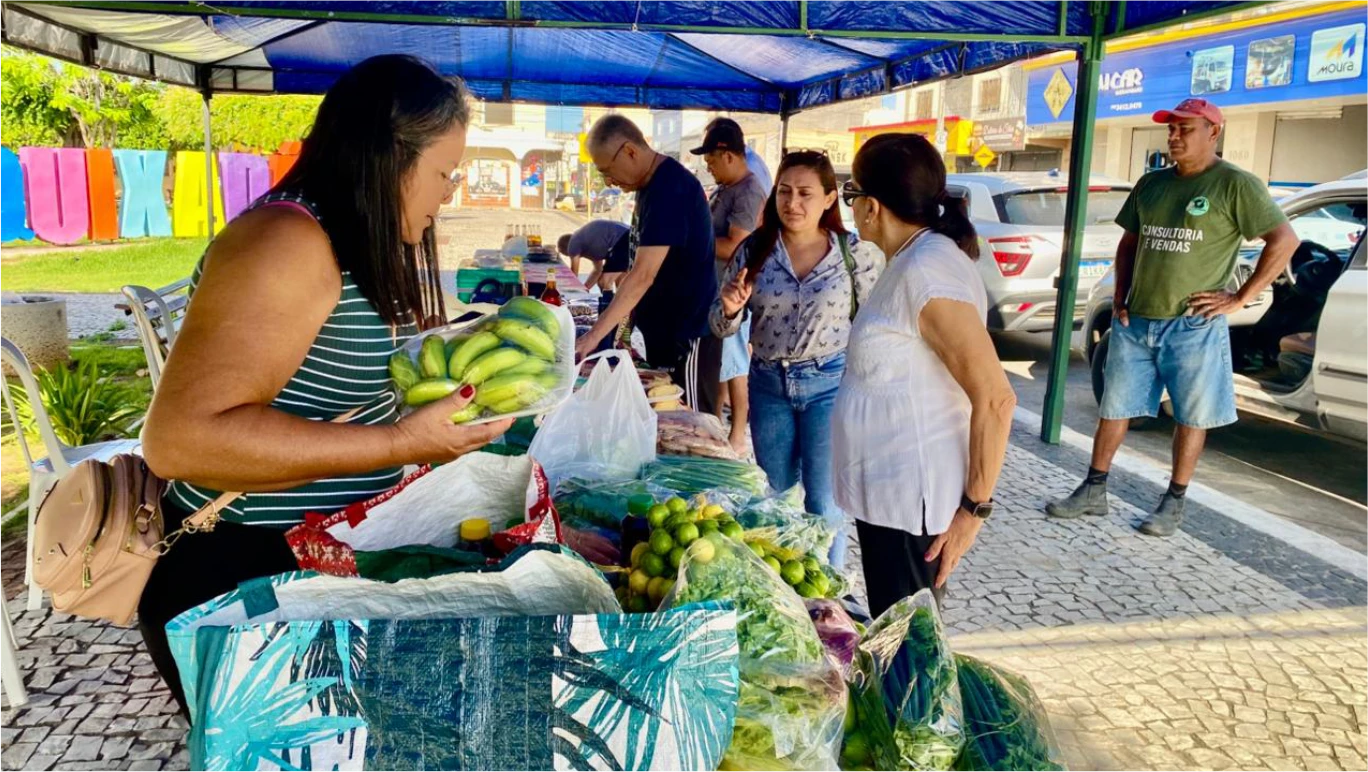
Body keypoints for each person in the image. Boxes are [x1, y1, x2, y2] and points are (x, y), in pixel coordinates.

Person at [137, 55, 513, 717]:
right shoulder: (286, 241)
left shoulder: (351, 242)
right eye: (444, 173)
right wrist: (400, 444)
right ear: (389, 156)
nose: (449, 193)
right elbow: (180, 442)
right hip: (245, 578)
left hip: (310, 565)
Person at [1046, 99, 1297, 537]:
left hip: (1192, 325)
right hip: (1136, 321)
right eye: (1171, 129)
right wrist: (1120, 296)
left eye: (1186, 129)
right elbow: (1130, 243)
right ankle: (1094, 489)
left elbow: (1285, 240)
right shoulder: (1152, 184)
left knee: (1190, 416)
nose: (1175, 137)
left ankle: (1173, 503)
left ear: (1213, 132)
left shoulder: (1235, 185)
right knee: (1115, 406)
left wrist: (1240, 297)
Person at [832, 133, 1017, 618]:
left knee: (909, 650)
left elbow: (996, 399)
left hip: (911, 509)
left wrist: (974, 510)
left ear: (871, 206)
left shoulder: (927, 271)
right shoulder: (915, 259)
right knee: (895, 639)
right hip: (891, 503)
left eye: (851, 194)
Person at [710, 151, 879, 569]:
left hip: (830, 386)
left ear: (829, 198)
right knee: (777, 496)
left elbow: (875, 326)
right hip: (768, 386)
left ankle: (828, 590)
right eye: (784, 192)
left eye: (805, 193)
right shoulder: (755, 250)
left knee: (824, 501)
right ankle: (786, 584)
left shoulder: (855, 255)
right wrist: (729, 309)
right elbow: (719, 325)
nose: (792, 203)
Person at [574, 115, 721, 414]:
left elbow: (643, 275)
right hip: (662, 332)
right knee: (663, 421)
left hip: (687, 334)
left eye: (607, 171)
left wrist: (594, 336)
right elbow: (637, 259)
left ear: (629, 151)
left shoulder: (670, 188)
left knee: (692, 424)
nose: (609, 182)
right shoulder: (648, 186)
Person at [693, 119, 768, 455]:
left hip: (736, 293)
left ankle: (738, 434)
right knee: (721, 360)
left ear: (728, 155)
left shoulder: (749, 192)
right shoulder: (726, 188)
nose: (709, 167)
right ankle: (718, 425)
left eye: (711, 160)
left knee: (736, 363)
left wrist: (691, 242)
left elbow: (737, 245)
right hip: (716, 291)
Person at [558, 219, 629, 293]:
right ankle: (623, 300)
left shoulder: (573, 243)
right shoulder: (591, 246)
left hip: (622, 239)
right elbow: (597, 271)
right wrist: (585, 290)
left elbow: (574, 275)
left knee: (604, 282)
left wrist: (566, 291)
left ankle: (608, 300)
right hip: (628, 236)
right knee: (621, 282)